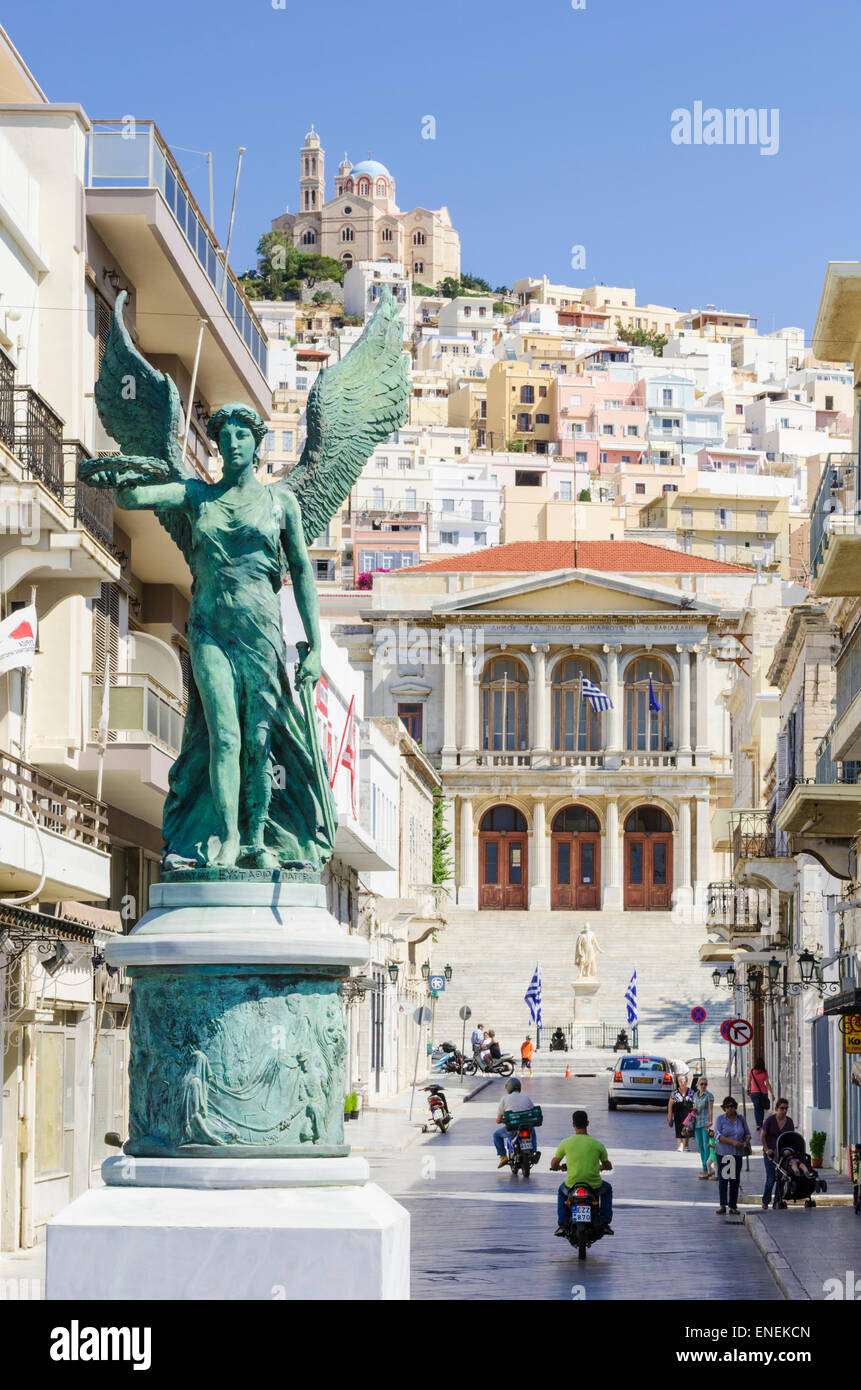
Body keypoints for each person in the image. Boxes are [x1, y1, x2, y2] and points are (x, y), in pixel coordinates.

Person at [551, 1109, 614, 1235]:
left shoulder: (566, 1143)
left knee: (561, 1191)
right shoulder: (597, 1144)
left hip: (571, 1184)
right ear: (588, 1123)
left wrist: (556, 1167)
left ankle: (563, 1225)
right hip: (594, 1185)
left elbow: (554, 1163)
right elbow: (608, 1165)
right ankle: (605, 1223)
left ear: (573, 1124)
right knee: (607, 1189)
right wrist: (603, 1167)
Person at [713, 1096, 751, 1215]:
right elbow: (717, 1136)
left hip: (737, 1153)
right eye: (728, 1107)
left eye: (733, 1106)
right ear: (724, 1108)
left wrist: (746, 1142)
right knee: (723, 1180)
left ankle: (733, 1206)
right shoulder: (720, 1119)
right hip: (724, 1153)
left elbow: (748, 1133)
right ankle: (723, 1205)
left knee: (734, 1180)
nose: (730, 1109)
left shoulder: (741, 1119)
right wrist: (732, 1142)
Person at [493, 1077, 538, 1167]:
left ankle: (503, 1157)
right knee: (532, 1132)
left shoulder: (505, 1098)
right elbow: (532, 1111)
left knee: (496, 1135)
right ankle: (533, 1152)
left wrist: (499, 1121)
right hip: (527, 1126)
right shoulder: (526, 1097)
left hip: (513, 1127)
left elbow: (499, 1118)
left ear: (509, 1087)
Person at [761, 1097, 795, 1210]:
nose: (784, 1110)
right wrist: (766, 1150)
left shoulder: (789, 1122)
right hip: (770, 1154)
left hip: (782, 1154)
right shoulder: (770, 1120)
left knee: (781, 1178)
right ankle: (765, 1201)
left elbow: (791, 1137)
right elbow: (762, 1136)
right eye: (782, 1108)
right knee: (771, 1178)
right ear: (776, 1108)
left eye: (786, 1108)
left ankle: (777, 1201)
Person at [691, 1074, 715, 1179]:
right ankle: (707, 1168)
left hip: (705, 1124)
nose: (703, 1086)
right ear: (697, 1084)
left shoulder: (709, 1095)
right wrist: (693, 1111)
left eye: (705, 1084)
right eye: (702, 1084)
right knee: (700, 1148)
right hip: (696, 1123)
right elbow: (694, 1108)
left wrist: (710, 1122)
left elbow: (710, 1110)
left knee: (707, 1147)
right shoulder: (695, 1095)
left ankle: (705, 1169)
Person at [667, 1074, 695, 1152]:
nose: (683, 1083)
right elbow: (670, 1105)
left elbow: (695, 1104)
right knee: (678, 1129)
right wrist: (669, 1117)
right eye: (681, 1081)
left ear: (687, 1082)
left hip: (688, 1114)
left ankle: (686, 1145)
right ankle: (680, 1145)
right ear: (678, 1082)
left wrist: (693, 1113)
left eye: (684, 1081)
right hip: (677, 1114)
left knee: (687, 1130)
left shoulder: (691, 1092)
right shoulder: (674, 1093)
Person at [747, 1056, 775, 1130]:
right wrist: (772, 1093)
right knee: (761, 1108)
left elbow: (749, 1082)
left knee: (756, 1108)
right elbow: (767, 1084)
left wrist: (747, 1089)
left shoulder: (752, 1071)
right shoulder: (764, 1072)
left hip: (754, 1093)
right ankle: (761, 1123)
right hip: (763, 1093)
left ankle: (758, 1124)